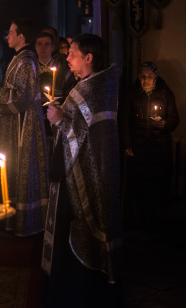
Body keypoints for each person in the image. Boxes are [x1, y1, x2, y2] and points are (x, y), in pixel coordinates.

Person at [43, 34, 123, 306]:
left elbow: (78, 137)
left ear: (88, 57)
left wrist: (58, 121)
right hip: (85, 169)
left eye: (73, 53)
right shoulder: (97, 85)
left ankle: (77, 291)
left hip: (81, 175)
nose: (67, 57)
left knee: (76, 228)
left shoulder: (88, 90)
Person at [0, 19, 48, 237]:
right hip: (15, 123)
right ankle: (12, 220)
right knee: (12, 168)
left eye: (10, 32)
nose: (7, 36)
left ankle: (24, 222)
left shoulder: (26, 61)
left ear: (21, 36)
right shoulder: (19, 59)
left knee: (22, 167)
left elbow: (22, 98)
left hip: (25, 125)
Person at [121, 61, 179, 230]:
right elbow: (124, 121)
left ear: (156, 76)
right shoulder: (132, 94)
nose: (146, 79)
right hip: (138, 149)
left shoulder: (165, 93)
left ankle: (159, 224)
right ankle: (141, 222)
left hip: (159, 149)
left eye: (149, 76)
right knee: (140, 187)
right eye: (142, 76)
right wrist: (126, 144)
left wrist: (165, 124)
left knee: (158, 187)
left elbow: (175, 119)